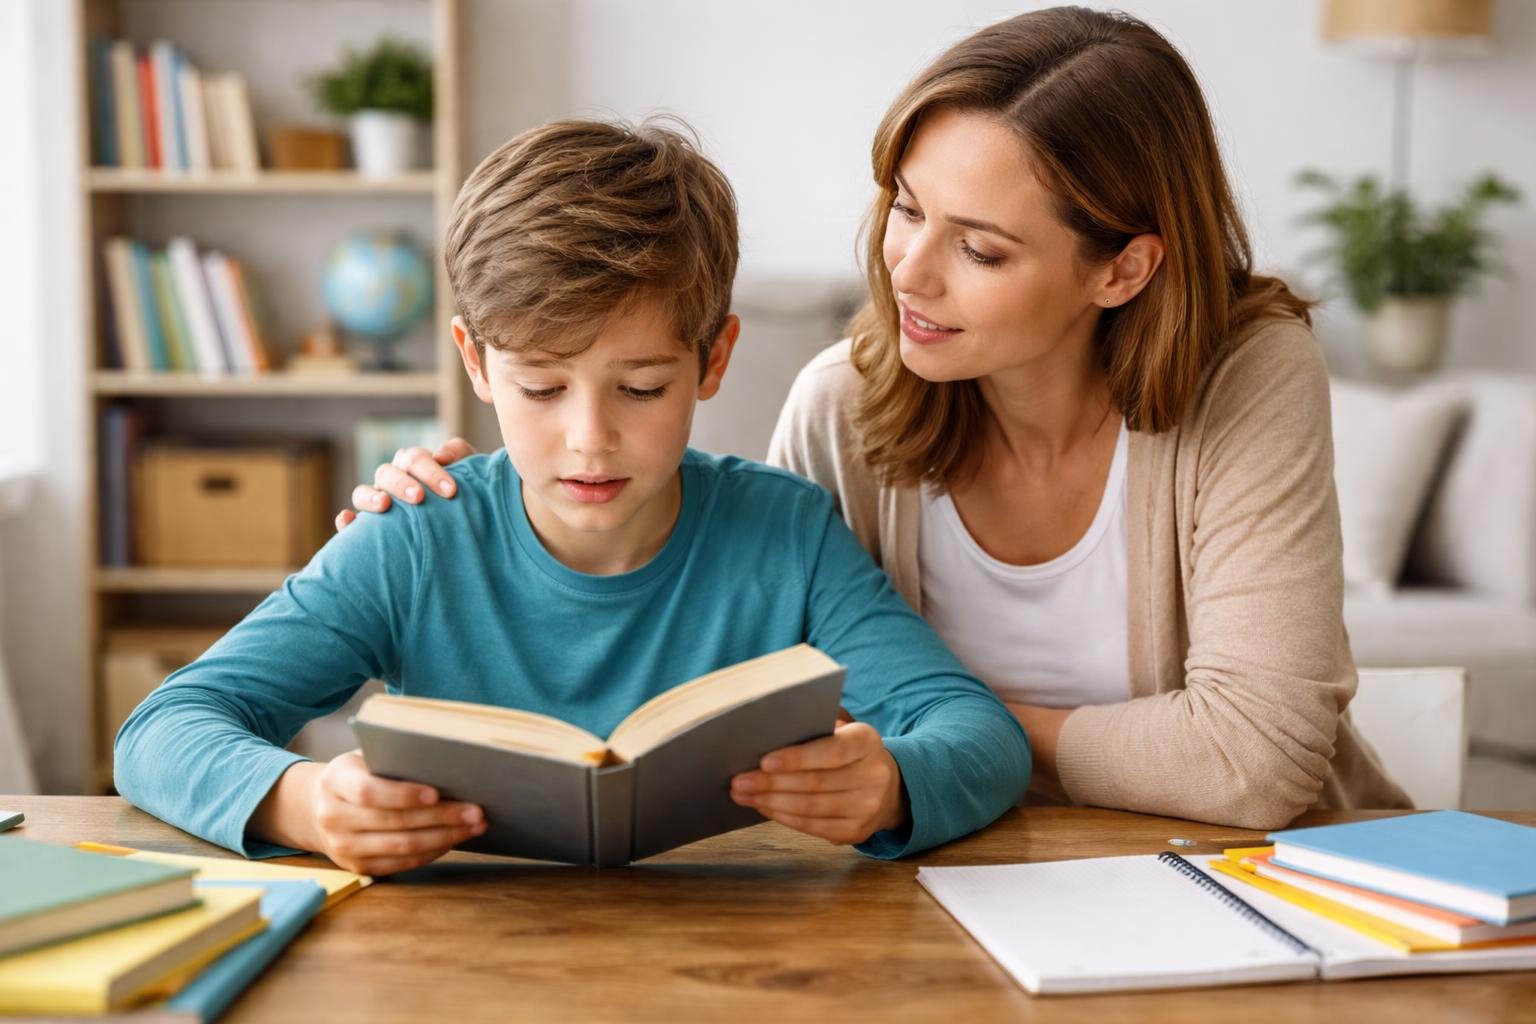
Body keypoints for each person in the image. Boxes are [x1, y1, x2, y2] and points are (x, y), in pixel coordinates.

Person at [347, 7, 1410, 830]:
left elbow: (1256, 761)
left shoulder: (1247, 375)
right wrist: (453, 516)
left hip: (1241, 883)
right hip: (934, 883)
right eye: (905, 207)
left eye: (980, 248)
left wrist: (953, 728)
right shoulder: (843, 407)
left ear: (1124, 267)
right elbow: (747, 688)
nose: (907, 269)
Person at [114, 118, 1032, 877]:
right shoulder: (414, 537)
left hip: (728, 961)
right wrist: (306, 803)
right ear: (476, 361)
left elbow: (974, 732)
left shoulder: (784, 532)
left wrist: (891, 786)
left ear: (714, 359)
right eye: (542, 389)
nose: (590, 437)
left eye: (641, 389)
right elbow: (163, 729)